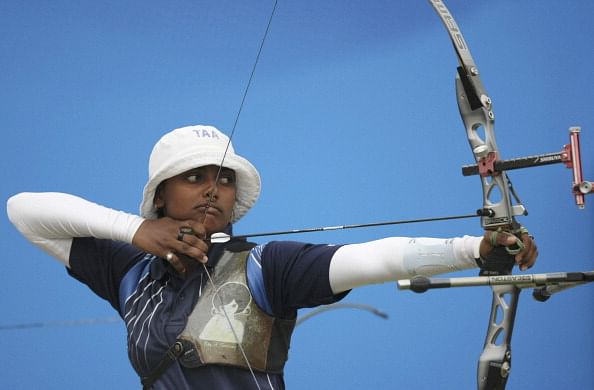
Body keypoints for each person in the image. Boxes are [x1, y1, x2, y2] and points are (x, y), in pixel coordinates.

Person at [6, 124, 537, 389]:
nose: (213, 189)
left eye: (224, 180)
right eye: (194, 177)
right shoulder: (129, 272)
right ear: (160, 196)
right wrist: (136, 231)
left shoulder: (267, 268)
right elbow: (23, 210)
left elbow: (379, 258)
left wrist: (477, 248)